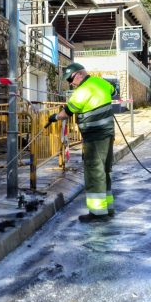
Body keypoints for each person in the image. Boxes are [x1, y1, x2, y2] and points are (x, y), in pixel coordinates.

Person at [47, 63, 118, 223]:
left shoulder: (81, 92)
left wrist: (54, 117)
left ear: (79, 74)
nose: (71, 83)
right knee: (104, 171)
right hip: (108, 134)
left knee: (94, 173)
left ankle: (98, 213)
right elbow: (114, 91)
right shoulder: (101, 82)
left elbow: (67, 112)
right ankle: (108, 208)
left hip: (94, 138)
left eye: (71, 79)